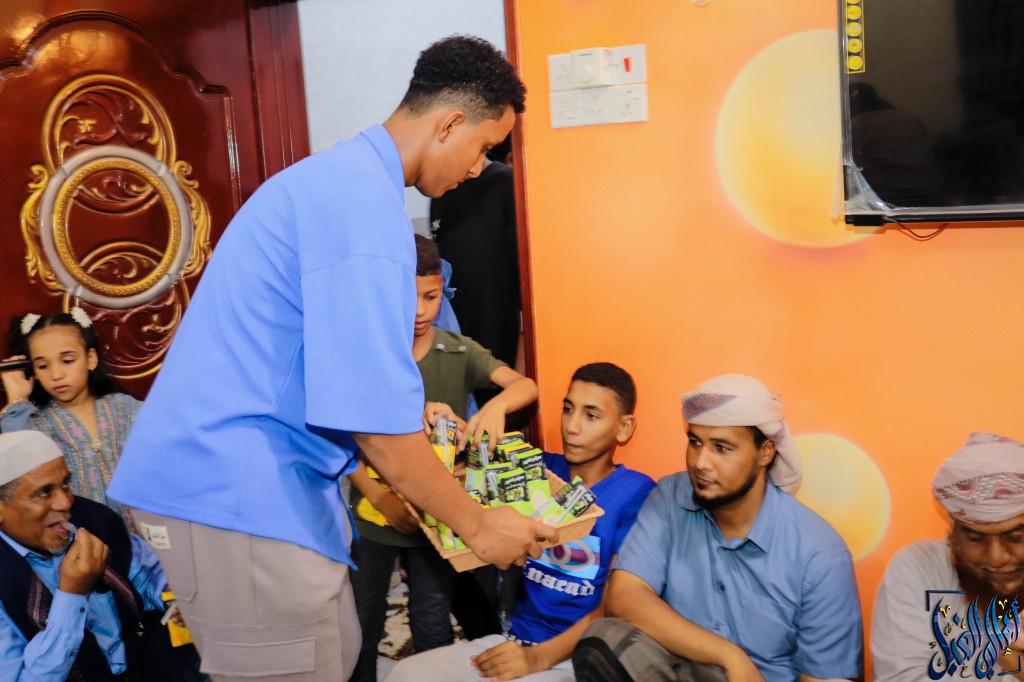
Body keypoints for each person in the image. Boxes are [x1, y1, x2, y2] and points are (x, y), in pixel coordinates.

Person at [105, 35, 556, 681]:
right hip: (235, 489)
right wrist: (478, 526)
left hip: (252, 486)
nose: (481, 167)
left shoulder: (344, 184)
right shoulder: (362, 210)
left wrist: (414, 417)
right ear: (449, 123)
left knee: (336, 653)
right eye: (485, 146)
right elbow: (373, 420)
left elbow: (330, 370)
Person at [574, 374, 862, 682]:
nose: (701, 462)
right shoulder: (671, 498)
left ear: (765, 452)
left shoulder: (820, 553)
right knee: (603, 638)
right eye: (695, 442)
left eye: (722, 448)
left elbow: (823, 676)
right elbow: (625, 596)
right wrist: (728, 656)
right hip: (678, 672)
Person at [386, 362, 655, 682]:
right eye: (568, 409)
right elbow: (473, 475)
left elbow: (618, 602)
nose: (572, 427)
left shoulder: (636, 493)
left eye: (591, 415)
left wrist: (538, 658)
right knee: (406, 674)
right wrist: (452, 432)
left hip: (577, 655)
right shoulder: (539, 467)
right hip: (515, 641)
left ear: (624, 428)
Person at [348, 235, 539, 681]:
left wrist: (496, 406)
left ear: (443, 292)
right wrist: (378, 496)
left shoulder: (457, 351)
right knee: (361, 619)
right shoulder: (371, 358)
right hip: (374, 516)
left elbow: (525, 386)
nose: (419, 311)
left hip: (438, 521)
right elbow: (344, 439)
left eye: (431, 297)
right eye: (407, 297)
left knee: (433, 617)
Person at [0, 430, 202, 681]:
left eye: (66, 484)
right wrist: (71, 596)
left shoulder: (92, 519)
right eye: (44, 492)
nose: (65, 503)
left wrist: (175, 600)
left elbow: (149, 577)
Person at [872, 432, 1024, 680]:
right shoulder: (919, 568)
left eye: (1015, 537)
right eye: (975, 538)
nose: (996, 558)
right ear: (953, 531)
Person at [1, 308, 140, 531]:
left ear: (91, 359)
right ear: (32, 371)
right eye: (43, 366)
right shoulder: (34, 425)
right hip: (77, 541)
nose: (56, 375)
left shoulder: (126, 409)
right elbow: (21, 476)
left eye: (67, 360)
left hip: (143, 538)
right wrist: (17, 397)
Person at [430, 135, 521, 387]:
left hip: (495, 329)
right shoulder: (441, 188)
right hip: (451, 329)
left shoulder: (505, 183)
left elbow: (521, 277)